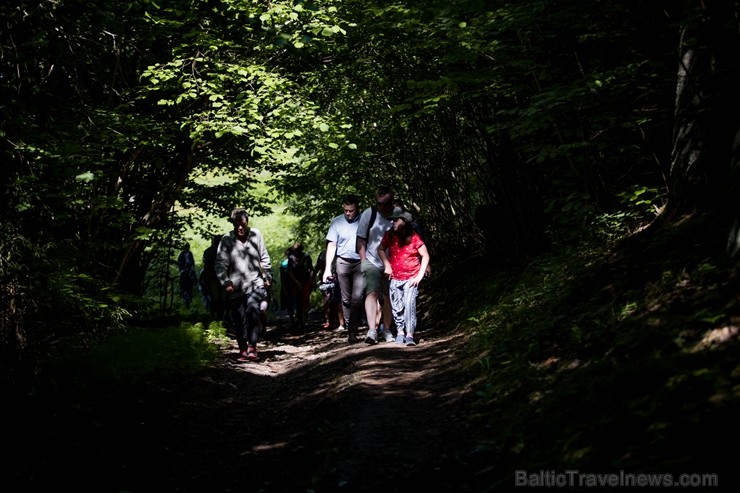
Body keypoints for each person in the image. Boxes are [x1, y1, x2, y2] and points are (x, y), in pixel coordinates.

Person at [215, 208, 272, 362]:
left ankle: (252, 346)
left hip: (255, 283)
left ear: (247, 222)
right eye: (237, 224)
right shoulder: (227, 240)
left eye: (243, 224)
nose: (240, 227)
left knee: (253, 309)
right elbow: (220, 264)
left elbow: (264, 258)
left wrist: (267, 276)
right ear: (233, 223)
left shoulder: (256, 235)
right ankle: (242, 349)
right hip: (236, 286)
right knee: (239, 318)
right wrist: (225, 281)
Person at [378, 209, 430, 346]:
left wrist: (419, 275)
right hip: (395, 278)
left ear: (404, 221)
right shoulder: (389, 236)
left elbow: (425, 255)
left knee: (409, 305)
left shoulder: (414, 237)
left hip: (411, 278)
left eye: (396, 220)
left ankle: (410, 334)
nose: (393, 222)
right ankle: (400, 331)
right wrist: (387, 265)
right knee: (397, 306)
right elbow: (380, 249)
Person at [356, 186, 400, 344]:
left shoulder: (399, 214)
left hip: (394, 262)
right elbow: (360, 239)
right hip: (372, 260)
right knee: (372, 293)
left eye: (385, 203)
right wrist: (363, 262)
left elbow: (412, 233)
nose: (382, 206)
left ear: (391, 202)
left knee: (389, 297)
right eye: (379, 203)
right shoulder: (369, 213)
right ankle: (372, 330)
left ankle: (387, 330)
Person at [322, 194, 364, 343]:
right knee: (345, 299)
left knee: (357, 297)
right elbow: (332, 245)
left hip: (360, 262)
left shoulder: (364, 220)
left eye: (351, 210)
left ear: (357, 208)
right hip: (342, 262)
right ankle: (349, 327)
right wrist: (327, 268)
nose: (348, 213)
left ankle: (353, 329)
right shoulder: (337, 222)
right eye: (346, 210)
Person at [314, 249, 344, 330]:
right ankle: (328, 321)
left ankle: (338, 321)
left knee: (338, 300)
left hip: (338, 277)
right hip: (327, 279)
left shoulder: (341, 251)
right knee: (327, 300)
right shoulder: (323, 254)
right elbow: (318, 266)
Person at [286, 242, 313, 329]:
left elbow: (311, 269)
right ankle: (300, 320)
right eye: (296, 250)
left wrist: (312, 280)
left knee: (305, 300)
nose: (297, 251)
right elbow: (289, 271)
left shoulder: (306, 257)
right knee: (297, 302)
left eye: (299, 249)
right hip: (295, 283)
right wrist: (296, 282)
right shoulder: (291, 258)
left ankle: (305, 320)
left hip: (305, 281)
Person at [202, 234, 227, 322]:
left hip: (217, 278)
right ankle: (217, 317)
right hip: (215, 278)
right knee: (218, 299)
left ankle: (217, 317)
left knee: (218, 299)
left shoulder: (208, 251)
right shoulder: (223, 251)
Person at [177, 243, 197, 309]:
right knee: (182, 278)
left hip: (189, 268)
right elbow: (179, 262)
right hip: (184, 269)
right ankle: (183, 291)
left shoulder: (190, 253)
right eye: (186, 247)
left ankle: (194, 283)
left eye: (188, 247)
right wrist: (182, 269)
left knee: (193, 276)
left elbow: (193, 262)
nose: (187, 248)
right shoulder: (182, 254)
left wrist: (193, 268)